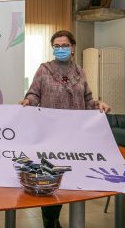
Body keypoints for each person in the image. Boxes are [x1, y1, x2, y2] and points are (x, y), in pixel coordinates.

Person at [20, 30, 110, 228]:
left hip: (74, 135)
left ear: (72, 47)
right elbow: (34, 94)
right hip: (50, 134)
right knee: (50, 177)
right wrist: (28, 100)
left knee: (69, 176)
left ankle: (59, 216)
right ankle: (50, 221)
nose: (60, 49)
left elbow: (87, 100)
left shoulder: (80, 72)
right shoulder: (44, 70)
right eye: (56, 46)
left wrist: (98, 105)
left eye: (64, 45)